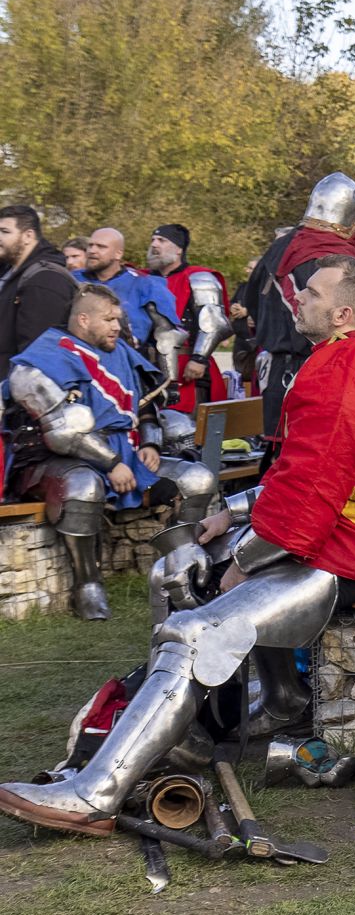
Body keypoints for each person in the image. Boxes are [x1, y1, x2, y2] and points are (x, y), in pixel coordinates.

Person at [0, 255, 355, 835]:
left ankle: (94, 794)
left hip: (354, 550)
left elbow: (312, 491)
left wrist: (245, 563)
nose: (295, 299)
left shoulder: (339, 371)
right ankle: (264, 708)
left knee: (196, 627)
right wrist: (231, 511)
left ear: (341, 312)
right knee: (192, 580)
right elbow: (316, 473)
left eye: (308, 293)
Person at [5, 285, 219, 619]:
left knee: (197, 479)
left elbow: (146, 405)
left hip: (126, 453)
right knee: (82, 487)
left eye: (118, 319)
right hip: (56, 458)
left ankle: (182, 570)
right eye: (108, 320)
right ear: (83, 318)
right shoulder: (40, 360)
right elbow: (63, 434)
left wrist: (148, 442)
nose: (117, 326)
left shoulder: (119, 351)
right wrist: (113, 463)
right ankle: (87, 585)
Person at [235, 173, 355, 439]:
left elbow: (248, 309)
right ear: (352, 222)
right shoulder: (339, 259)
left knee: (282, 460)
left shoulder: (281, 246)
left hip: (276, 375)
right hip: (323, 374)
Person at [147, 224, 231, 413]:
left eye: (161, 240)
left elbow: (214, 323)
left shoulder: (199, 278)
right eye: (152, 240)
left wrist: (199, 359)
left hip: (187, 365)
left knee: (185, 429)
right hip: (148, 365)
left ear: (178, 249)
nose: (154, 245)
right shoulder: (142, 278)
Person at [76, 228, 180, 356]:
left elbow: (166, 334)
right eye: (90, 245)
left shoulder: (146, 284)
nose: (92, 251)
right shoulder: (71, 280)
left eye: (101, 247)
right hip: (76, 358)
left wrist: (167, 375)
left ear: (118, 254)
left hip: (127, 361)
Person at [0, 205, 79, 365]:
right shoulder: (10, 270)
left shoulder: (44, 281)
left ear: (28, 236)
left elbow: (38, 354)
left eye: (5, 232)